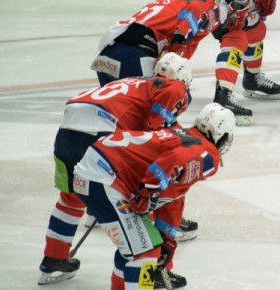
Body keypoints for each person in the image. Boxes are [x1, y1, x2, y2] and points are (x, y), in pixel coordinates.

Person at [38, 53, 193, 285]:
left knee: (71, 196)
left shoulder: (133, 83)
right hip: (102, 131)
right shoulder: (173, 86)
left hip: (68, 128)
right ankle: (151, 267)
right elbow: (158, 129)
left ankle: (54, 257)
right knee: (139, 199)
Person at [72, 103, 236, 289]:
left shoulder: (186, 135)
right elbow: (171, 162)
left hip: (95, 170)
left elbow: (172, 196)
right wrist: (148, 192)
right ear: (220, 133)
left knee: (133, 248)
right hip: (104, 177)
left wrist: (166, 236)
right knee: (146, 252)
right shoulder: (207, 154)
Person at [91, 0, 239, 87]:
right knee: (146, 112)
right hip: (136, 56)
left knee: (113, 111)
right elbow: (188, 23)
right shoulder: (205, 3)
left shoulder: (166, 1)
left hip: (106, 54)